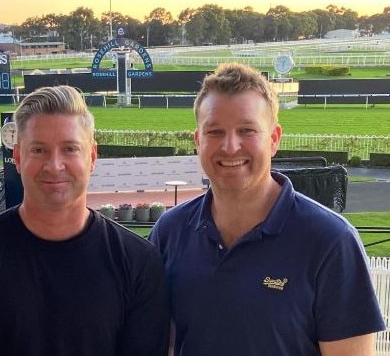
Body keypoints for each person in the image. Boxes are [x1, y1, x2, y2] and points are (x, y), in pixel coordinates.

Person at [149, 63, 385, 355]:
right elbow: (163, 343)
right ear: (198, 141)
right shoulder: (170, 232)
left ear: (273, 140)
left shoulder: (331, 241)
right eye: (215, 131)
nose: (230, 146)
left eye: (247, 130)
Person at [0, 85, 169, 356]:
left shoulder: (138, 262)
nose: (54, 165)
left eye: (69, 149)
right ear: (18, 157)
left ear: (92, 156)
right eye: (39, 150)